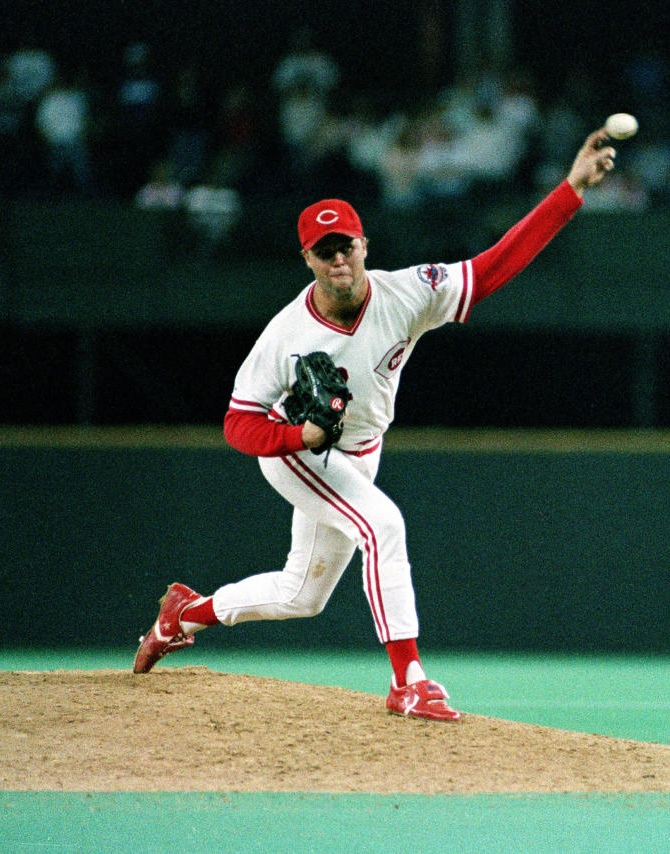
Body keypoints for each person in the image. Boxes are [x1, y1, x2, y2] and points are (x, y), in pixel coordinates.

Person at [133, 127, 618, 721]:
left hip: (359, 450)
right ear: (307, 258)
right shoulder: (287, 334)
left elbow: (491, 269)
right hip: (299, 452)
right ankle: (408, 681)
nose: (338, 258)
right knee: (384, 523)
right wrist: (298, 437)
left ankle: (183, 614)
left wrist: (569, 191)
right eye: (324, 249)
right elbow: (238, 424)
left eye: (346, 246)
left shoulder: (408, 293)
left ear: (365, 244)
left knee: (301, 595)